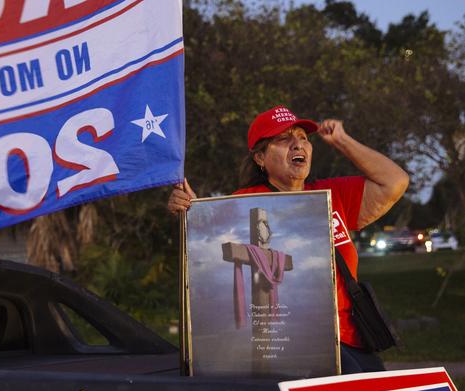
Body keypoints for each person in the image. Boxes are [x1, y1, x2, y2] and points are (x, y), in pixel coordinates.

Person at [168, 105, 409, 374]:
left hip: (349, 342)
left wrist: (341, 140)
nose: (298, 144)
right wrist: (189, 211)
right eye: (284, 139)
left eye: (303, 138)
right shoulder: (244, 202)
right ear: (260, 157)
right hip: (287, 346)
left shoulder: (333, 194)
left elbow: (395, 181)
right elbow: (210, 254)